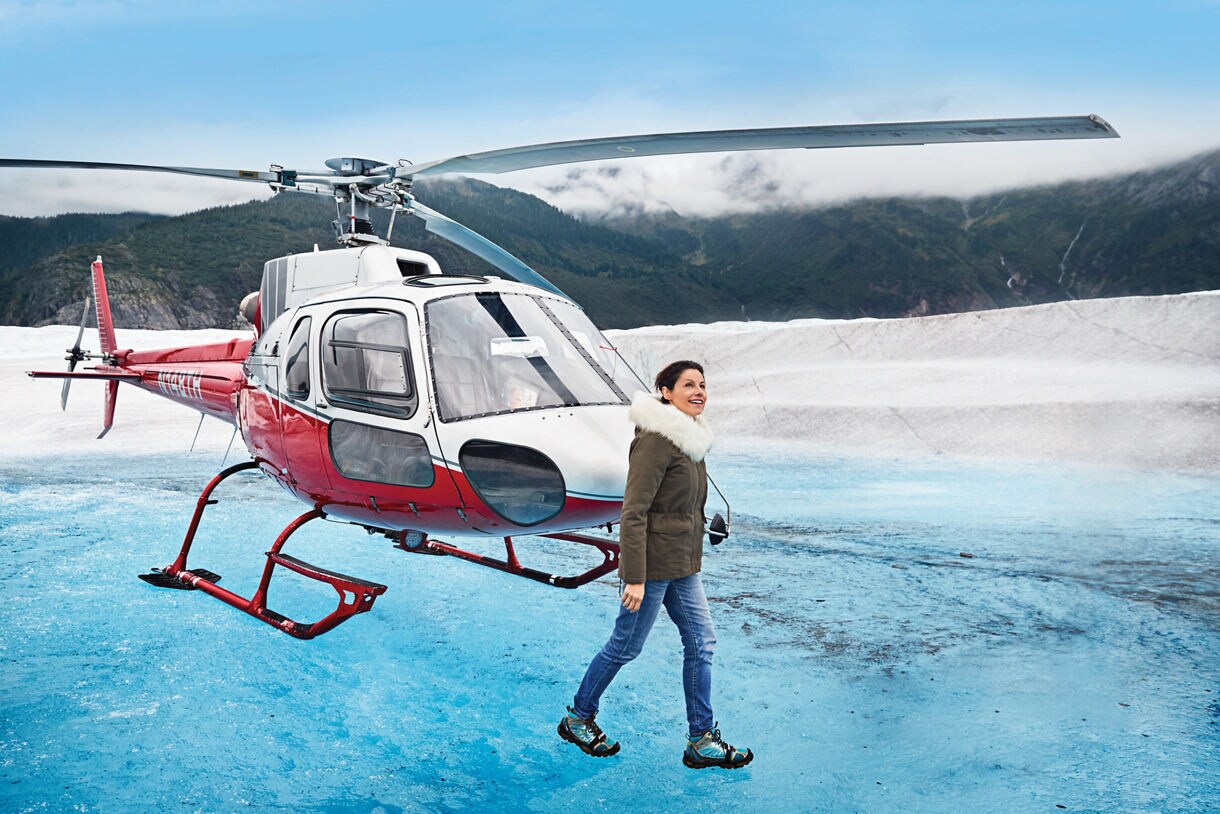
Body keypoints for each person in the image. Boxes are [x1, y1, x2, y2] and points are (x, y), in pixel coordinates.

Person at [557, 360, 753, 770]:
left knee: (703, 643)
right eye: (688, 385)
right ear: (665, 392)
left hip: (683, 564)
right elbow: (634, 511)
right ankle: (578, 718)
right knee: (625, 646)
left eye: (703, 385)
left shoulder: (691, 440)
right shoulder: (656, 440)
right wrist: (634, 577)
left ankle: (700, 739)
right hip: (653, 566)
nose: (699, 391)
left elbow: (681, 509)